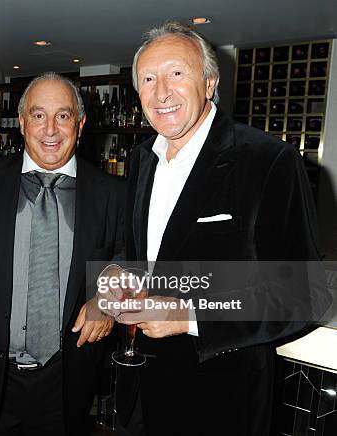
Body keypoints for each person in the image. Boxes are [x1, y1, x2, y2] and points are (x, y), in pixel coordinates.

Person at [103, 21, 326, 436]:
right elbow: (141, 253)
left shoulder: (267, 159)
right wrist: (119, 271)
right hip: (141, 388)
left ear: (209, 83)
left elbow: (305, 293)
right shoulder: (141, 160)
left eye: (176, 73)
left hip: (222, 396)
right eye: (148, 79)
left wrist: (187, 314)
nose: (161, 92)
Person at [0, 72, 125, 435]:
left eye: (63, 116)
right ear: (21, 122)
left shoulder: (112, 193)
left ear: (80, 124)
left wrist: (108, 301)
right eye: (38, 115)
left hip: (68, 374)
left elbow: (126, 259)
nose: (50, 129)